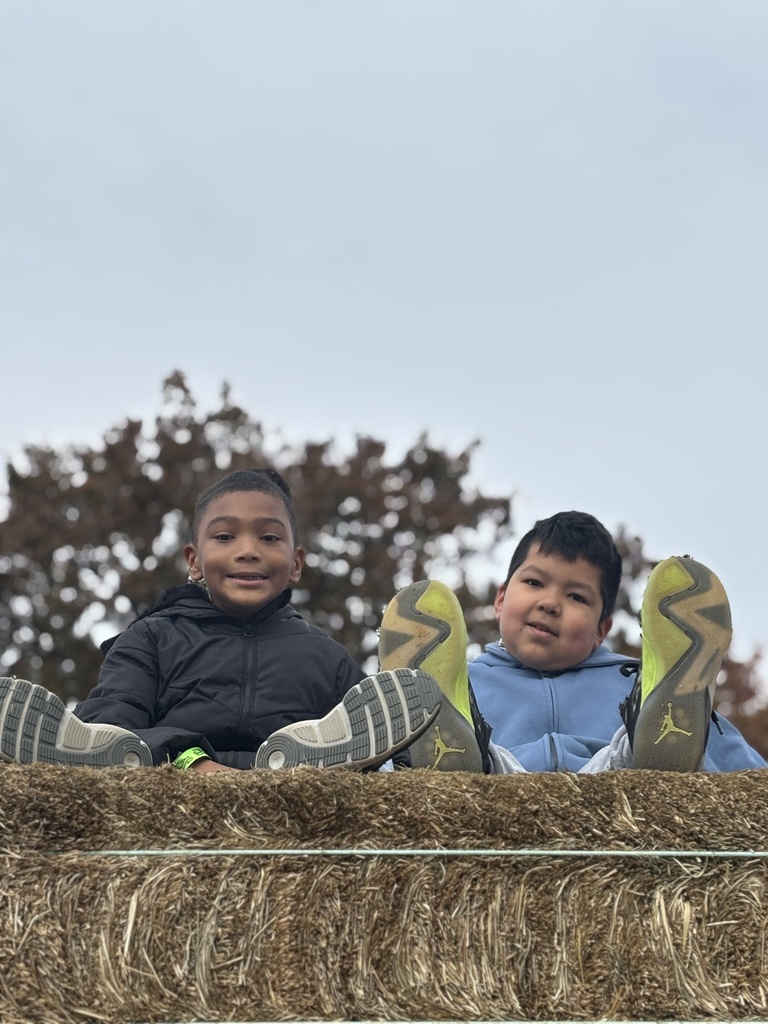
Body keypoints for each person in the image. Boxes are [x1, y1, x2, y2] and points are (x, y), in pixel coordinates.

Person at [0, 468, 442, 773]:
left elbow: (366, 736)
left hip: (289, 784)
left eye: (269, 537)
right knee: (111, 740)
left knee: (344, 754)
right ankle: (124, 756)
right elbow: (113, 717)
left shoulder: (326, 657)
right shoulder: (152, 636)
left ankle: (291, 766)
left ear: (295, 563)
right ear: (194, 560)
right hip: (178, 768)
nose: (248, 549)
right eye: (225, 536)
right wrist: (187, 756)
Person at [377, 510, 767, 774]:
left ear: (602, 629)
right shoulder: (467, 682)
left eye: (576, 597)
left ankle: (660, 737)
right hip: (504, 787)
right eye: (534, 583)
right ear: (500, 598)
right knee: (479, 757)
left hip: (609, 789)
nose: (550, 603)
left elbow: (739, 769)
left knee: (634, 748)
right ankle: (437, 734)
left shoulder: (633, 681)